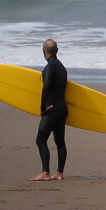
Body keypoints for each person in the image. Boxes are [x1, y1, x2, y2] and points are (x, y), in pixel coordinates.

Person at [30, 39, 68, 181]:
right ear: (57, 51)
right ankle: (59, 173)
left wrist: (42, 108)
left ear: (43, 51)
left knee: (40, 140)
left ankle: (45, 172)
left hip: (51, 109)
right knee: (60, 142)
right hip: (63, 109)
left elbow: (46, 88)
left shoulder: (49, 68)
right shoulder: (62, 67)